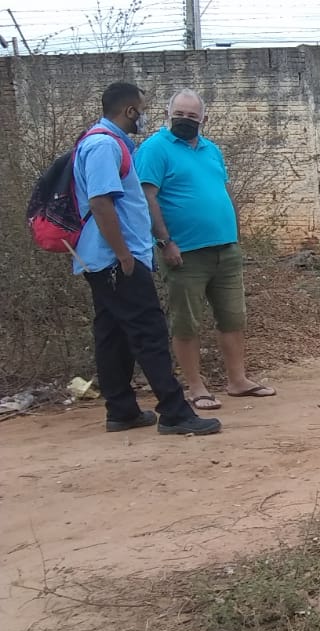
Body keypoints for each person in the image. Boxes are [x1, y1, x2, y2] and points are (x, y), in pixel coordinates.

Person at [72, 82, 220, 436]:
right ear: (130, 112)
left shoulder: (106, 143)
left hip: (106, 258)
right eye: (142, 109)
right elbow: (100, 202)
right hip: (115, 259)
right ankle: (174, 412)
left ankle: (121, 410)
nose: (145, 115)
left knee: (113, 334)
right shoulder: (104, 145)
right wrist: (124, 255)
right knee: (149, 331)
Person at [135, 89, 275, 412]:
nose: (185, 121)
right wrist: (164, 242)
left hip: (225, 250)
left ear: (203, 119)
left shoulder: (212, 150)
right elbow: (148, 198)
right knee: (187, 322)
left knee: (233, 317)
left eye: (192, 116)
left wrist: (235, 234)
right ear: (168, 115)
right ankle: (195, 386)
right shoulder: (155, 149)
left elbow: (223, 191)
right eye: (179, 115)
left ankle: (237, 380)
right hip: (183, 253)